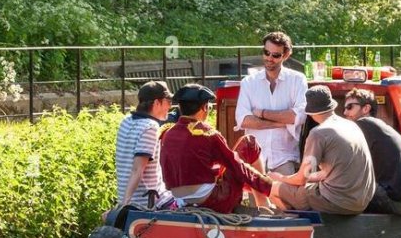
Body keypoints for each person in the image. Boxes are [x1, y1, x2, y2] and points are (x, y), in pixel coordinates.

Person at [160, 83, 275, 213]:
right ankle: (263, 203)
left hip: (179, 201)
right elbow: (236, 165)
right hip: (212, 201)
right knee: (249, 143)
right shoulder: (207, 133)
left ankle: (262, 200)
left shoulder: (167, 133)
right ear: (204, 108)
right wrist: (268, 185)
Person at [272, 86, 375, 215]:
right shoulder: (352, 125)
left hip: (336, 201)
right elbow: (329, 172)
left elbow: (302, 179)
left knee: (272, 188)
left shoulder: (318, 133)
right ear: (332, 106)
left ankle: (296, 224)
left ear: (310, 113)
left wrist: (280, 178)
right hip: (361, 202)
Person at [235, 31, 307, 175]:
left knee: (286, 190)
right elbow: (243, 120)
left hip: (285, 157)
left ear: (286, 55)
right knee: (253, 191)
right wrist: (282, 123)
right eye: (266, 53)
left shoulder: (297, 80)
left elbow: (299, 116)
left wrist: (262, 113)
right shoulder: (249, 82)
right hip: (254, 159)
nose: (269, 58)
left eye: (275, 55)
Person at [341, 88, 401, 216]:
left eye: (350, 107)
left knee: (337, 191)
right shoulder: (377, 127)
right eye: (345, 108)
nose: (345, 112)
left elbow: (345, 163)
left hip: (398, 201)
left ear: (366, 108)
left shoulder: (363, 124)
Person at [115, 81, 175, 209]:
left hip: (127, 197)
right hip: (149, 201)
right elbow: (137, 169)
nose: (170, 106)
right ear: (157, 103)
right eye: (168, 102)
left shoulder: (126, 121)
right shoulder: (150, 127)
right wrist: (124, 204)